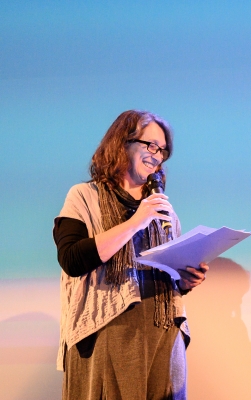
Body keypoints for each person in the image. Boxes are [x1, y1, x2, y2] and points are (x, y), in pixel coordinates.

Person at [53, 110, 208, 400]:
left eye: (162, 150)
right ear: (121, 143)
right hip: (108, 332)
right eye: (150, 145)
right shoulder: (84, 197)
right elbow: (72, 260)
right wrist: (137, 220)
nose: (157, 155)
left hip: (163, 333)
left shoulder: (163, 209)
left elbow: (166, 273)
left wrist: (185, 279)